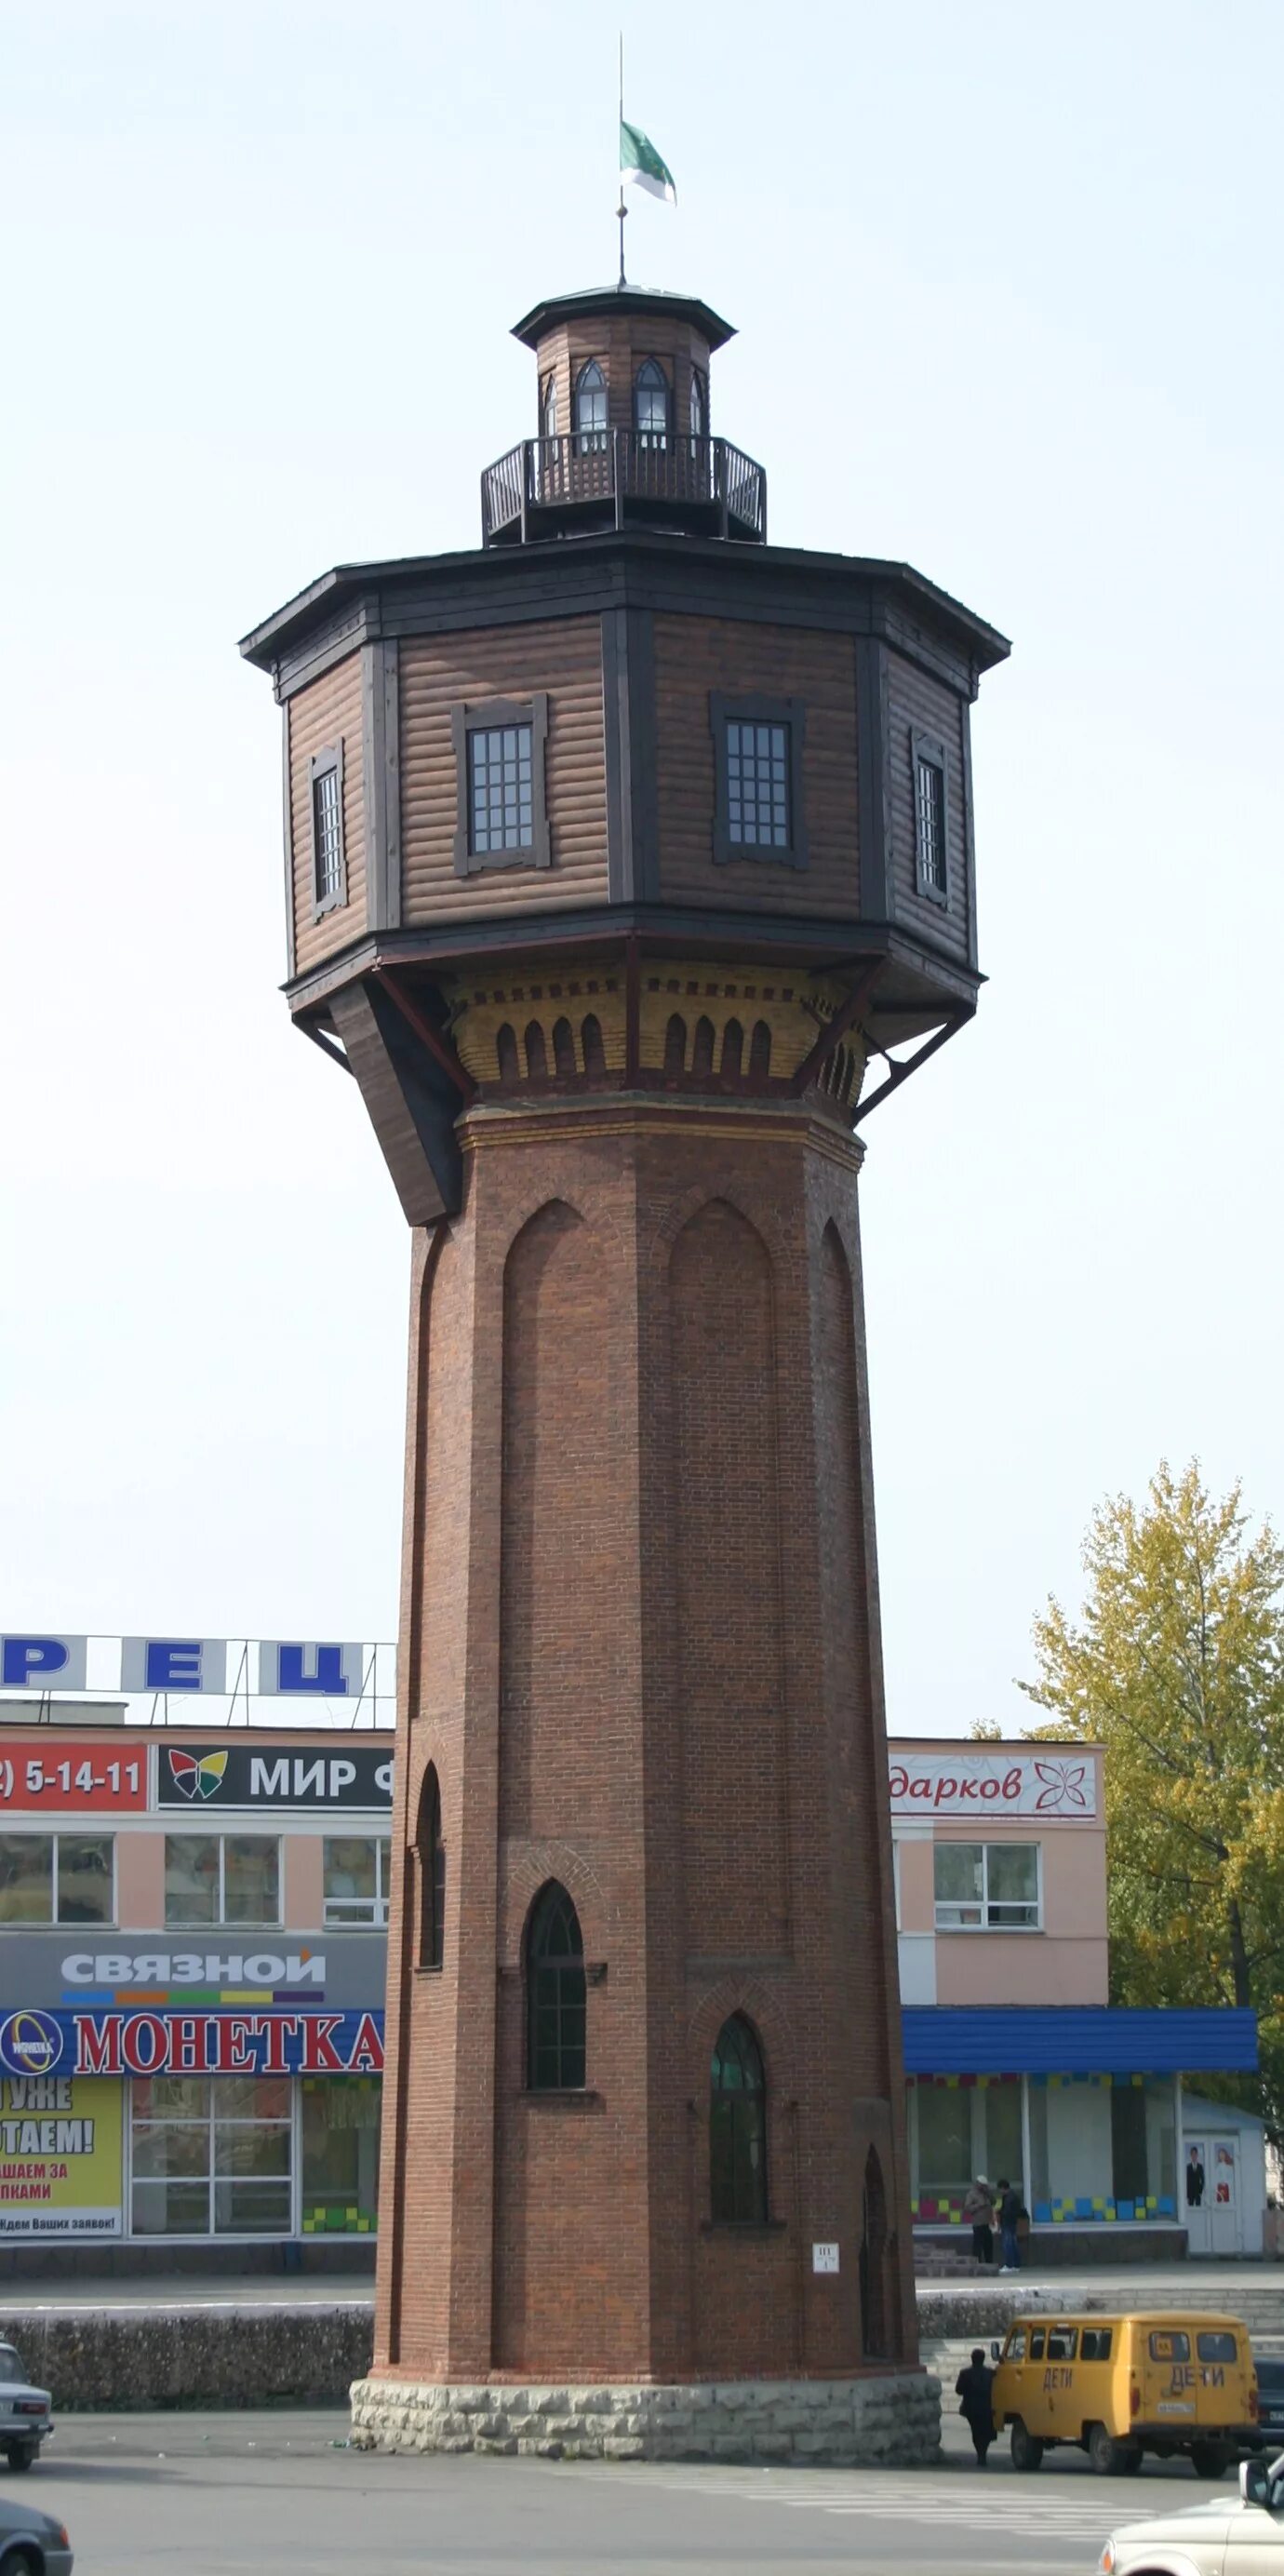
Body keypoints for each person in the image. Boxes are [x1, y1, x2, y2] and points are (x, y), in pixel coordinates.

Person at [956, 2346, 996, 2465]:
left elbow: (958, 2390)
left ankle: (981, 2454)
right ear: (983, 2359)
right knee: (986, 2432)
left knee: (976, 2431)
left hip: (971, 2408)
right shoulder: (991, 2373)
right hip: (987, 2408)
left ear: (972, 2359)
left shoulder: (965, 2373)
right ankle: (982, 2454)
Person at [962, 2175, 996, 2264]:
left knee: (988, 2245)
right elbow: (967, 2208)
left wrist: (989, 2193)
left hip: (987, 2223)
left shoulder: (987, 2193)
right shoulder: (971, 2194)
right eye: (982, 2185)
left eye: (985, 2185)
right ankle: (977, 2264)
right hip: (978, 2224)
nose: (983, 2187)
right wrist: (979, 2205)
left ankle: (989, 2263)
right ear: (977, 2184)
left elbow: (994, 2202)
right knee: (978, 2246)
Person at [996, 2176, 1022, 2272]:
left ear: (1003, 2188)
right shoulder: (1012, 2196)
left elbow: (1007, 2211)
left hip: (1008, 2222)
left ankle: (1009, 2265)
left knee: (1008, 2244)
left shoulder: (1009, 2198)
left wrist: (999, 2212)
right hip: (1012, 2222)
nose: (1000, 2191)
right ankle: (1016, 2265)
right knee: (1013, 2244)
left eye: (1000, 2189)